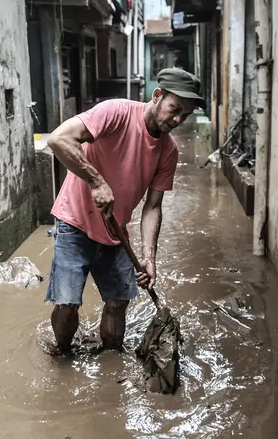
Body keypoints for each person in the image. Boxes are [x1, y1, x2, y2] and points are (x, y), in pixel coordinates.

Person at [45, 68, 205, 355]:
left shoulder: (168, 151)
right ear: (157, 95)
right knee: (68, 304)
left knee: (119, 302)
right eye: (175, 109)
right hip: (75, 222)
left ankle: (110, 360)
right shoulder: (115, 112)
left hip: (116, 230)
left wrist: (148, 258)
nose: (178, 120)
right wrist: (96, 181)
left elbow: (152, 208)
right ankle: (62, 353)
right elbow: (58, 139)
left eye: (186, 115)